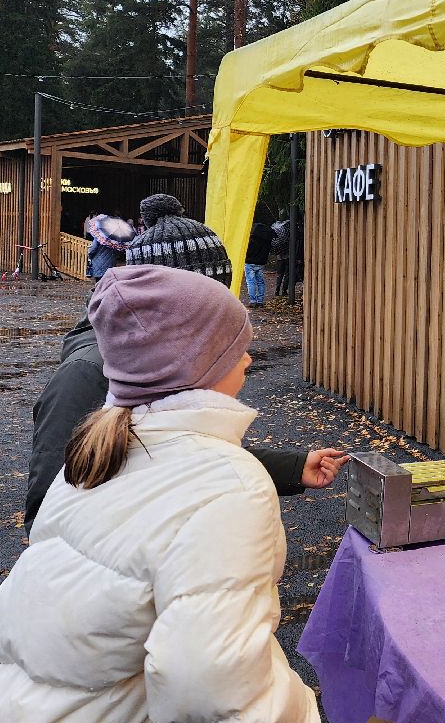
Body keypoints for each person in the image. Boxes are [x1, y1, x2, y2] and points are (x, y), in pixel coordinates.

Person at [0, 265, 321, 723]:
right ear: (198, 364)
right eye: (235, 347)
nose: (248, 357)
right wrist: (299, 713)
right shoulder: (229, 485)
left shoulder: (92, 455)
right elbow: (217, 700)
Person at [26, 204, 348, 530]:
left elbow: (177, 455)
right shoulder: (88, 373)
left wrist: (290, 468)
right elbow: (49, 509)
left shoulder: (163, 362)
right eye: (207, 307)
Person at [84, 213, 134, 281]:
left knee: (99, 283)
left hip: (98, 262)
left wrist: (89, 254)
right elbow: (118, 253)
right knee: (107, 283)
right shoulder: (118, 241)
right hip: (111, 264)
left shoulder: (100, 237)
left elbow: (93, 249)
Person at [245, 215, 274, 307]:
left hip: (249, 263)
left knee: (251, 282)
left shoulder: (251, 240)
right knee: (260, 282)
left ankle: (253, 301)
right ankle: (260, 301)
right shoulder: (267, 241)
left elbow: (247, 252)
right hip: (261, 263)